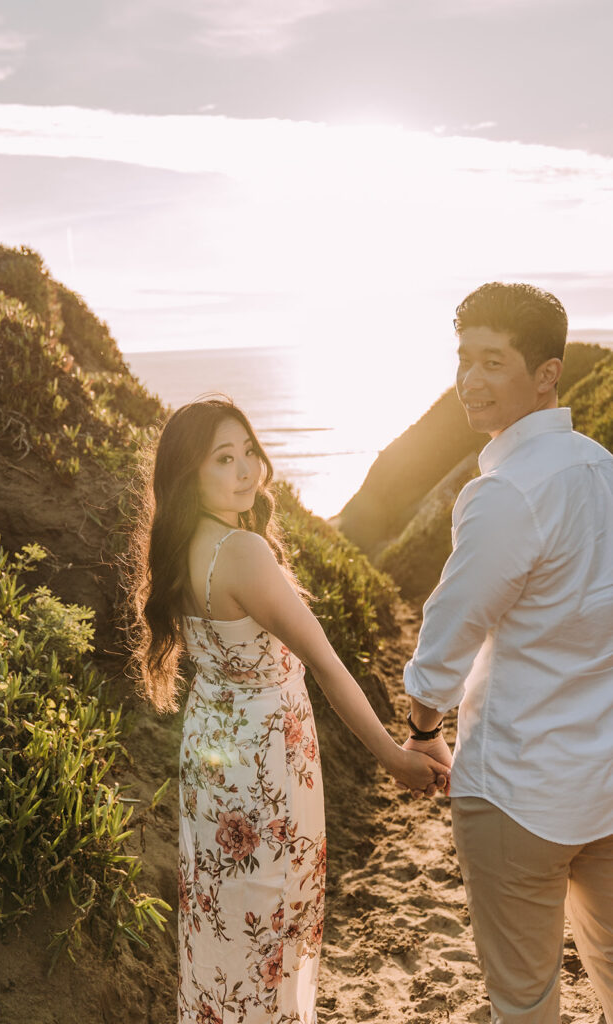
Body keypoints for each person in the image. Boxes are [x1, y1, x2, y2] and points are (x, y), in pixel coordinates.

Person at [133, 397, 449, 1024]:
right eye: (224, 459)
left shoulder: (178, 547)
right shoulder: (243, 552)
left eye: (248, 450)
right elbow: (328, 668)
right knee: (272, 924)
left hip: (212, 763)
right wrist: (392, 756)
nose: (247, 469)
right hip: (266, 764)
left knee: (223, 924)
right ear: (189, 474)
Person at [402, 282, 613, 1023]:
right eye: (465, 359)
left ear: (547, 373)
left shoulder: (505, 492)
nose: (470, 381)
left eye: (494, 361)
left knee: (524, 1002)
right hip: (606, 778)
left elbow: (443, 643)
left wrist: (424, 731)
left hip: (517, 791)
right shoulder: (603, 471)